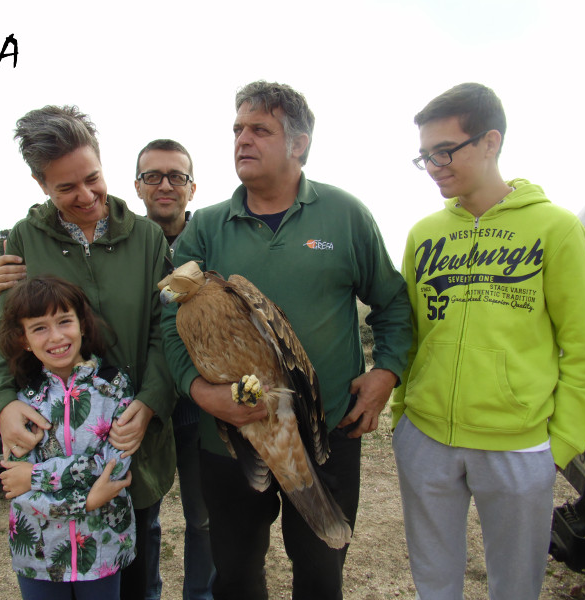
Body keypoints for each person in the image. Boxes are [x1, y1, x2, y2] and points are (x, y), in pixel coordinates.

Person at [160, 81, 412, 600]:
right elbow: (167, 324)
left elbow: (394, 304)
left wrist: (386, 371)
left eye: (259, 129)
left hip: (329, 432)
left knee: (321, 572)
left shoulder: (345, 215)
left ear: (298, 144)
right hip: (226, 436)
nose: (241, 140)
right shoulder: (205, 228)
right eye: (236, 129)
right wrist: (200, 393)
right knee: (234, 573)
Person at [391, 82, 585, 599]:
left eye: (445, 150)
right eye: (425, 156)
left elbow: (583, 348)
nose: (434, 165)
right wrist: (403, 415)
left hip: (518, 446)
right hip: (426, 439)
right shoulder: (424, 234)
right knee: (434, 583)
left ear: (491, 142)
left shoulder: (555, 228)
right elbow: (411, 333)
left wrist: (558, 448)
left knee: (515, 588)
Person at [0, 105, 176, 600]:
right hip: (54, 456)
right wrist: (2, 404)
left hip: (133, 441)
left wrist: (150, 401)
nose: (86, 196)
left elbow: (165, 331)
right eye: (66, 188)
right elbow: (2, 334)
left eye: (93, 178)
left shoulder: (149, 239)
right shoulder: (24, 239)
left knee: (137, 574)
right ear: (39, 183)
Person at [0, 275, 136, 599]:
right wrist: (85, 499)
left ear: (82, 325)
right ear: (24, 340)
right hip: (38, 555)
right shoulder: (23, 402)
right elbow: (17, 486)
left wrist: (36, 476)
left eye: (64, 321)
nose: (56, 336)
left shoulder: (114, 388)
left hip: (103, 547)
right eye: (40, 327)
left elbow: (114, 465)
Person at [134, 139, 215, 600]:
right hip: (144, 401)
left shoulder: (212, 238)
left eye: (176, 176)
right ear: (138, 186)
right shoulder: (121, 243)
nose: (165, 185)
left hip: (202, 403)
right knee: (144, 515)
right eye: (153, 176)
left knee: (203, 517)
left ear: (192, 187)